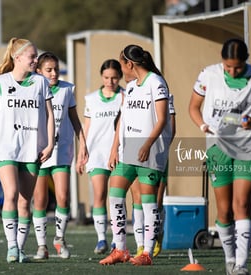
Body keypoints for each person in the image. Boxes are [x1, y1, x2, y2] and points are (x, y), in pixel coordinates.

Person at [189, 38, 251, 275]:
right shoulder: (208, 75)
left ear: (246, 61)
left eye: (237, 67)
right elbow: (193, 107)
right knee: (224, 209)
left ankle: (242, 264)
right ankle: (229, 258)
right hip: (218, 145)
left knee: (242, 204)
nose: (232, 71)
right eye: (228, 66)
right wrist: (203, 126)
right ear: (221, 60)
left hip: (249, 145)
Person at [0, 38, 55, 263]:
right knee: (10, 194)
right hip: (5, 148)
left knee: (24, 201)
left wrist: (49, 144)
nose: (36, 60)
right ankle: (11, 247)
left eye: (36, 55)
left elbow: (50, 116)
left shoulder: (40, 82)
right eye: (32, 56)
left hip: (32, 148)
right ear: (17, 58)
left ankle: (19, 249)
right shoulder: (0, 82)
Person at [99, 44, 172, 266]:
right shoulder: (130, 87)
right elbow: (123, 119)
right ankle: (120, 248)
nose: (122, 71)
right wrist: (114, 148)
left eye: (122, 65)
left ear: (129, 64)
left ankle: (147, 253)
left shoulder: (156, 83)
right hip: (128, 150)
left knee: (149, 202)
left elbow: (162, 119)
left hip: (150, 151)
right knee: (115, 193)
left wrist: (148, 144)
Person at [31, 52, 88, 260]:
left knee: (63, 197)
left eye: (55, 69)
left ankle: (59, 239)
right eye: (49, 70)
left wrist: (83, 145)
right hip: (38, 151)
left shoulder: (67, 89)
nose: (54, 73)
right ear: (38, 71)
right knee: (40, 200)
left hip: (62, 149)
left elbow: (75, 120)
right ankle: (41, 246)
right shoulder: (32, 89)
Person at [76, 59, 124, 255]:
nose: (110, 81)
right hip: (96, 154)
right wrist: (81, 153)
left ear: (120, 77)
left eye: (114, 77)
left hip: (119, 153)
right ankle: (101, 239)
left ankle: (116, 240)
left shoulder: (126, 96)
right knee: (99, 196)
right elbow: (86, 128)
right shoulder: (91, 99)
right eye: (106, 77)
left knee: (116, 198)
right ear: (101, 77)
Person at [130, 93, 176, 258]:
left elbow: (172, 128)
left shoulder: (165, 95)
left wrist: (156, 150)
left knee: (156, 201)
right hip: (134, 151)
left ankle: (156, 235)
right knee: (137, 198)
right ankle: (140, 245)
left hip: (158, 155)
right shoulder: (131, 92)